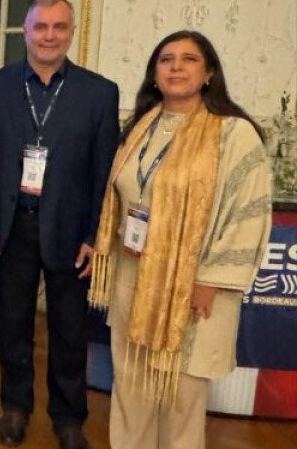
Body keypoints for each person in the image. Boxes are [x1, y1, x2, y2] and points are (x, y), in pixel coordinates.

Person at [88, 30, 272, 448]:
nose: (176, 67)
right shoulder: (140, 127)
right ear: (154, 74)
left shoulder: (233, 134)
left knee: (180, 394)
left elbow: (247, 215)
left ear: (209, 73)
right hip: (133, 274)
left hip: (193, 286)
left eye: (189, 59)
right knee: (132, 386)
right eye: (166, 59)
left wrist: (210, 279)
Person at [0, 0, 119, 449]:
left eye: (59, 27)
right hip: (10, 227)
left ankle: (69, 417)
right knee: (13, 325)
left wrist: (95, 236)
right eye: (41, 27)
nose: (49, 36)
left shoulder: (99, 93)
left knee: (70, 330)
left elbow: (104, 173)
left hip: (71, 233)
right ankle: (15, 407)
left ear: (71, 33)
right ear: (26, 32)